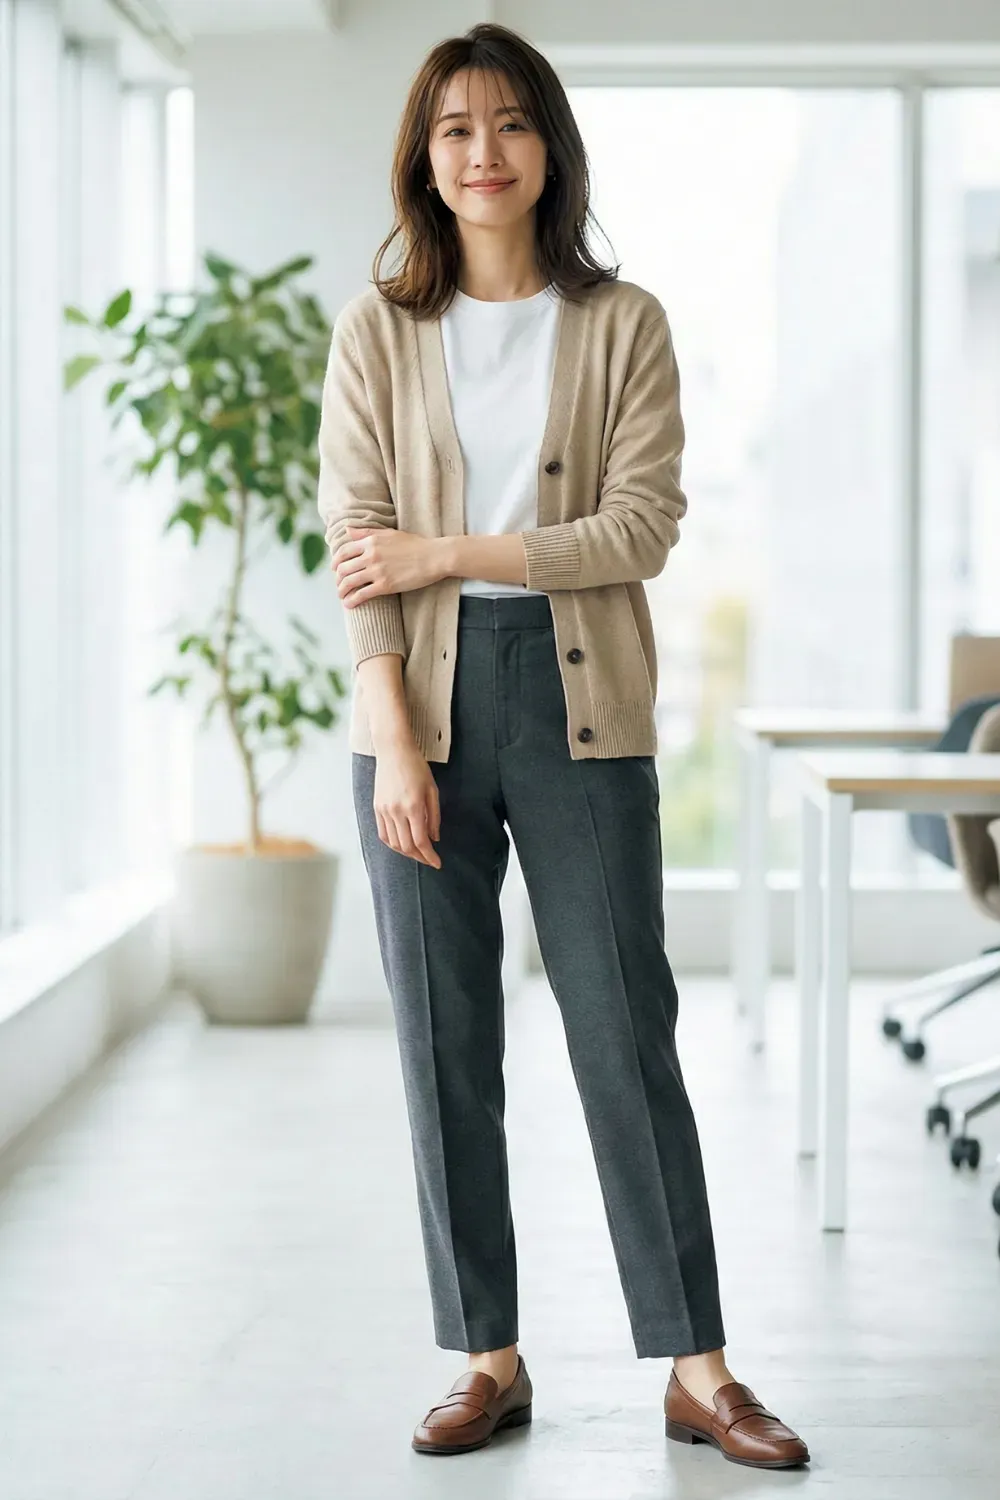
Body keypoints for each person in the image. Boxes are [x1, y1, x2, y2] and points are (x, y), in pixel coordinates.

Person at [317, 20, 809, 1473]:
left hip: (584, 706)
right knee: (445, 1045)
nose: (484, 151)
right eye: (457, 126)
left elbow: (640, 531)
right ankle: (487, 1356)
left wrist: (448, 549)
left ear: (551, 147)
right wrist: (396, 733)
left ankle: (698, 1366)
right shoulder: (377, 330)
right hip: (415, 712)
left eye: (513, 123)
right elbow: (356, 551)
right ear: (425, 153)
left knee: (624, 1039)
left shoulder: (625, 321)